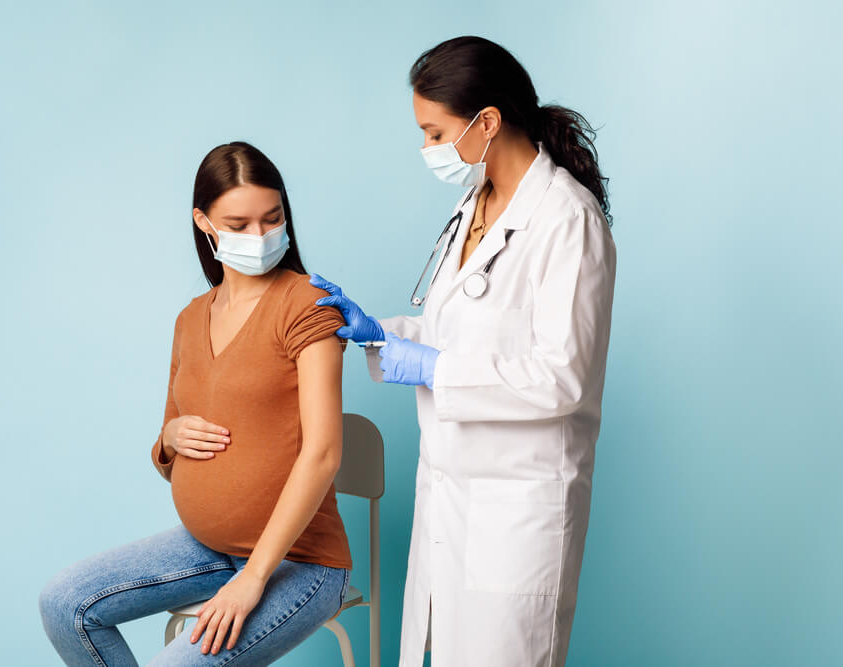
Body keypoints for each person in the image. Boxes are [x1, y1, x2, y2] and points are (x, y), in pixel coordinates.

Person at [311, 36, 617, 666]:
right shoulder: (474, 203)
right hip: (450, 500)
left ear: (487, 122)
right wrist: (380, 333)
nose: (427, 149)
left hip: (517, 515)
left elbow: (562, 378)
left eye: (435, 133)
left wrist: (434, 368)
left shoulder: (567, 219)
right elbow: (460, 330)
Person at [38, 141, 352, 666]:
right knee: (64, 603)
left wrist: (253, 579)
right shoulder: (190, 318)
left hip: (300, 561)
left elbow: (323, 453)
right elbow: (167, 450)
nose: (260, 236)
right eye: (239, 224)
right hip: (208, 550)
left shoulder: (307, 305)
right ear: (203, 222)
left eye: (272, 218)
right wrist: (169, 438)